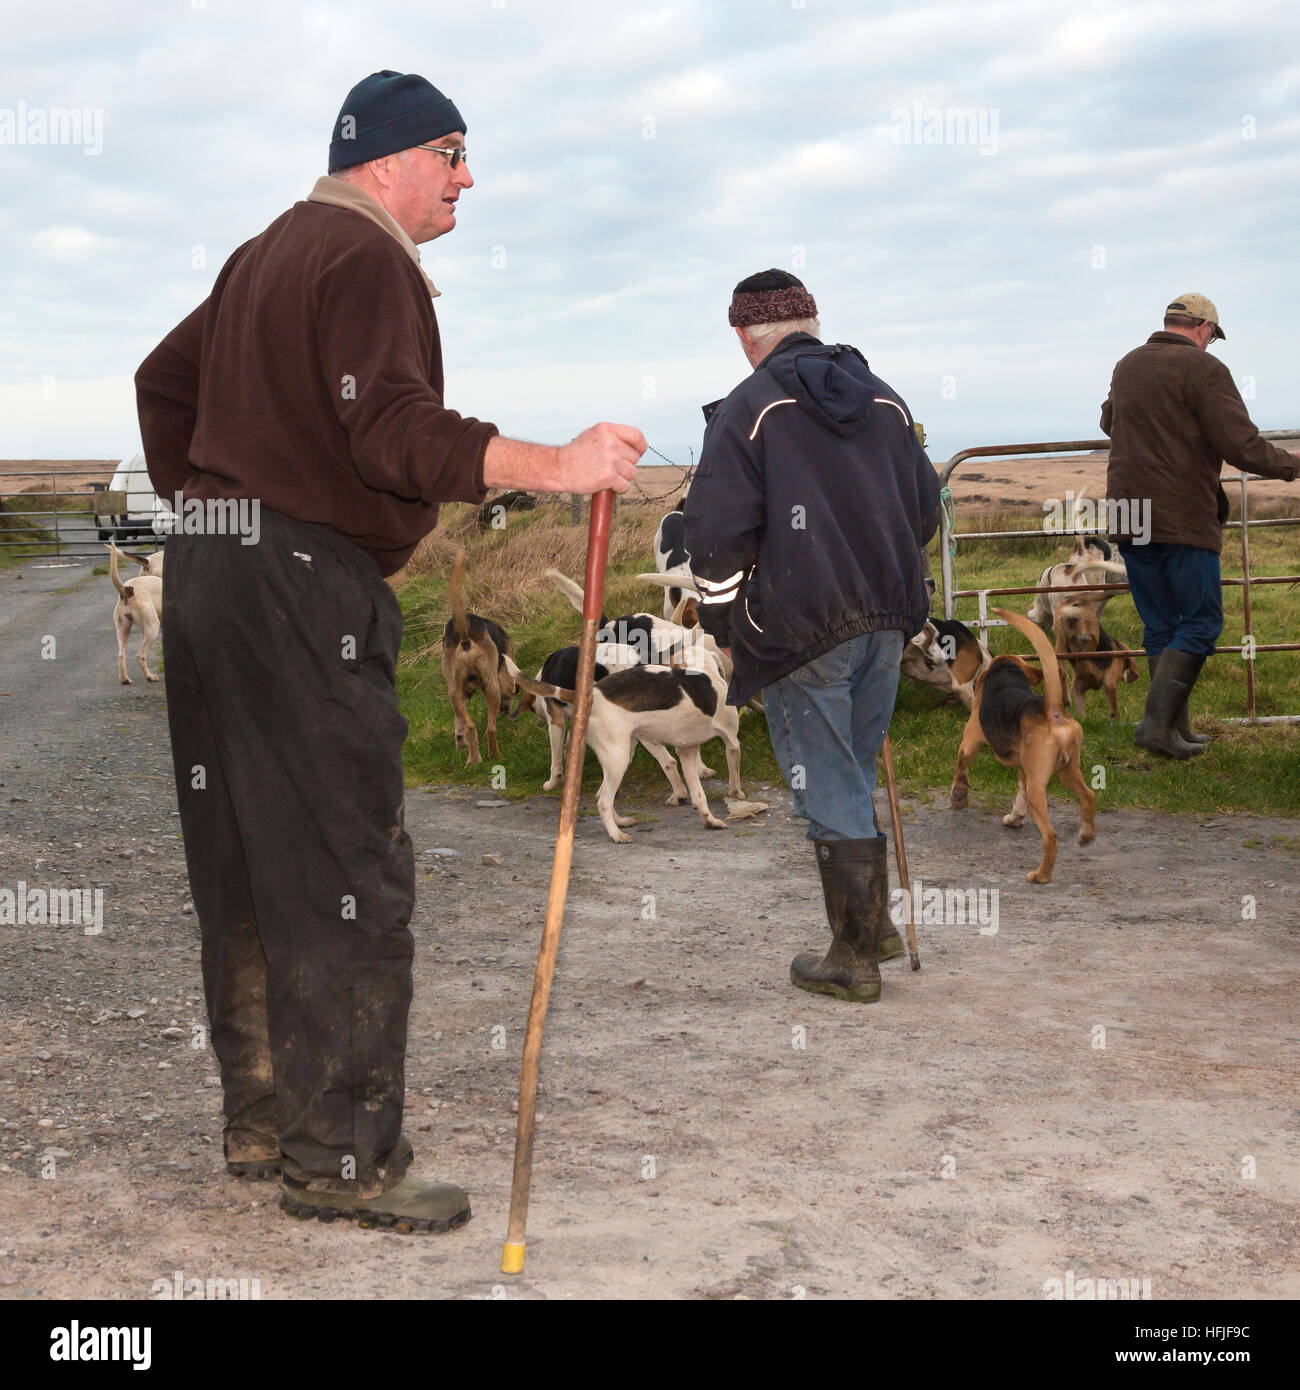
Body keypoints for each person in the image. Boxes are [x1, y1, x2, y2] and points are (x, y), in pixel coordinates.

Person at [134, 70, 643, 1232]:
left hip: (213, 577)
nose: (469, 179)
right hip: (299, 583)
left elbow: (163, 383)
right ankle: (344, 1158)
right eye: (453, 153)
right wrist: (553, 463)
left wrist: (212, 504)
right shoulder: (365, 260)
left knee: (248, 864)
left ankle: (266, 1119)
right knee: (345, 873)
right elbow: (392, 429)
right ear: (386, 160)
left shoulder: (264, 253)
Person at [684, 270, 940, 1005]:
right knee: (851, 770)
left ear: (743, 336)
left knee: (824, 779)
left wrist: (723, 623)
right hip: (888, 616)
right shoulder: (883, 398)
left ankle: (852, 959)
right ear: (813, 321)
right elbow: (924, 510)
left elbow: (717, 534)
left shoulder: (750, 407)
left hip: (802, 623)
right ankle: (875, 929)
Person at [1102, 293, 1298, 758]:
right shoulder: (1205, 369)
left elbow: (1109, 420)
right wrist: (1291, 466)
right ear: (1205, 328)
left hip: (1130, 515)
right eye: (1212, 337)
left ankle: (1172, 731)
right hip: (1181, 514)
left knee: (1160, 624)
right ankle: (1155, 727)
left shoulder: (1127, 364)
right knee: (1202, 621)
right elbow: (1241, 444)